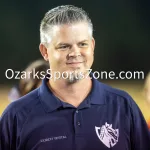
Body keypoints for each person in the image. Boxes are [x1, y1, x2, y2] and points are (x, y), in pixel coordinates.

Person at [0, 5, 150, 150]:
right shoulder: (16, 116)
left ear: (92, 46)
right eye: (64, 46)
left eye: (82, 44)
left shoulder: (123, 106)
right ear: (45, 51)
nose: (75, 53)